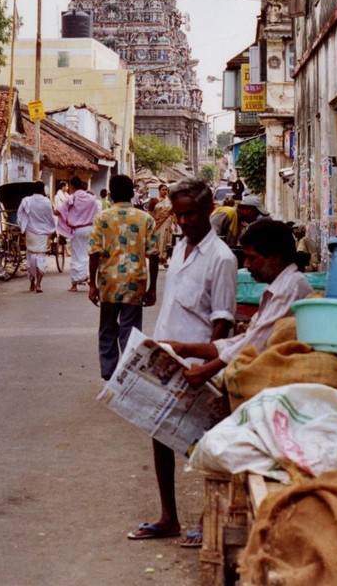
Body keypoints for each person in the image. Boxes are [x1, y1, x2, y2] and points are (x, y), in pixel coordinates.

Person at [127, 178, 237, 542]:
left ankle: (210, 520)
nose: (185, 221)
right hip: (167, 356)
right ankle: (168, 516)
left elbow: (222, 320)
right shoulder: (179, 250)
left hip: (197, 364)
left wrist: (209, 371)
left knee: (207, 444)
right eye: (179, 215)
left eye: (191, 214)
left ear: (208, 210)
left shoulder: (221, 258)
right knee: (159, 435)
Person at [166, 218, 314, 387]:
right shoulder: (280, 286)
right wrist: (185, 349)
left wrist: (208, 370)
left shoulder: (291, 287)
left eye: (252, 258)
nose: (246, 264)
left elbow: (257, 343)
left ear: (275, 257)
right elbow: (248, 338)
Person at [88, 175, 158, 379]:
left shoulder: (102, 218)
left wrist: (92, 285)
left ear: (110, 193)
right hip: (135, 282)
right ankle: (128, 375)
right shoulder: (145, 219)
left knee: (107, 328)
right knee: (131, 330)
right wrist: (152, 288)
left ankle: (109, 373)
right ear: (132, 193)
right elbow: (153, 255)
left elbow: (93, 252)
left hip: (107, 282)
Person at [57, 176, 100, 292]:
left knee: (76, 255)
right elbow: (98, 212)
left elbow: (59, 210)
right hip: (90, 229)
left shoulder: (72, 198)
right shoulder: (92, 198)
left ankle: (75, 284)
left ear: (72, 186)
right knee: (88, 253)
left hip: (78, 230)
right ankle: (89, 277)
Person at [17, 181, 57, 293]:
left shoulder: (26, 200)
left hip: (30, 233)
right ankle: (38, 284)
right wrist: (52, 229)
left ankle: (31, 282)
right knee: (40, 257)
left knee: (30, 256)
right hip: (43, 234)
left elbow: (20, 215)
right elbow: (50, 217)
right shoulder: (47, 201)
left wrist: (22, 227)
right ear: (43, 189)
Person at [150, 183, 176, 266]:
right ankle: (156, 257)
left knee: (165, 240)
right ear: (159, 190)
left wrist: (174, 223)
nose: (165, 191)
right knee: (156, 240)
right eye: (163, 190)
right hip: (156, 222)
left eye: (166, 190)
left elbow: (173, 213)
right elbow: (150, 212)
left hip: (167, 222)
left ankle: (164, 258)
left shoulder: (169, 201)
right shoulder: (154, 200)